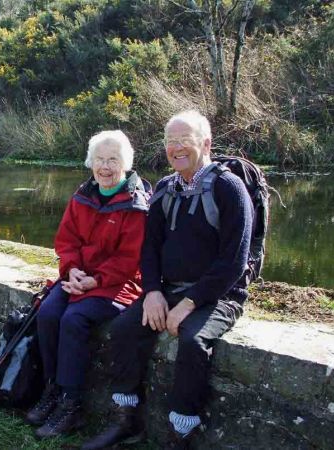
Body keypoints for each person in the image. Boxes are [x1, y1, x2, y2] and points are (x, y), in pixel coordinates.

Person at [81, 110, 254, 450]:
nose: (175, 148)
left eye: (183, 140)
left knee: (192, 342)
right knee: (125, 328)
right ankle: (127, 422)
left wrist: (190, 303)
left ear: (205, 143)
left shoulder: (229, 188)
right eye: (170, 141)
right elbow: (150, 247)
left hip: (218, 295)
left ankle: (180, 436)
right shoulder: (165, 188)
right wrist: (153, 292)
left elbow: (234, 261)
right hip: (168, 290)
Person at [24, 130, 149, 439]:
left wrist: (96, 279)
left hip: (117, 285)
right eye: (99, 160)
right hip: (78, 277)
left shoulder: (136, 203)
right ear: (90, 162)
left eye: (113, 160)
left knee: (74, 319)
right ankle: (53, 389)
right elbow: (67, 241)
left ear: (126, 164)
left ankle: (72, 405)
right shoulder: (83, 195)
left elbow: (129, 259)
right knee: (49, 313)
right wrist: (73, 271)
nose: (105, 167)